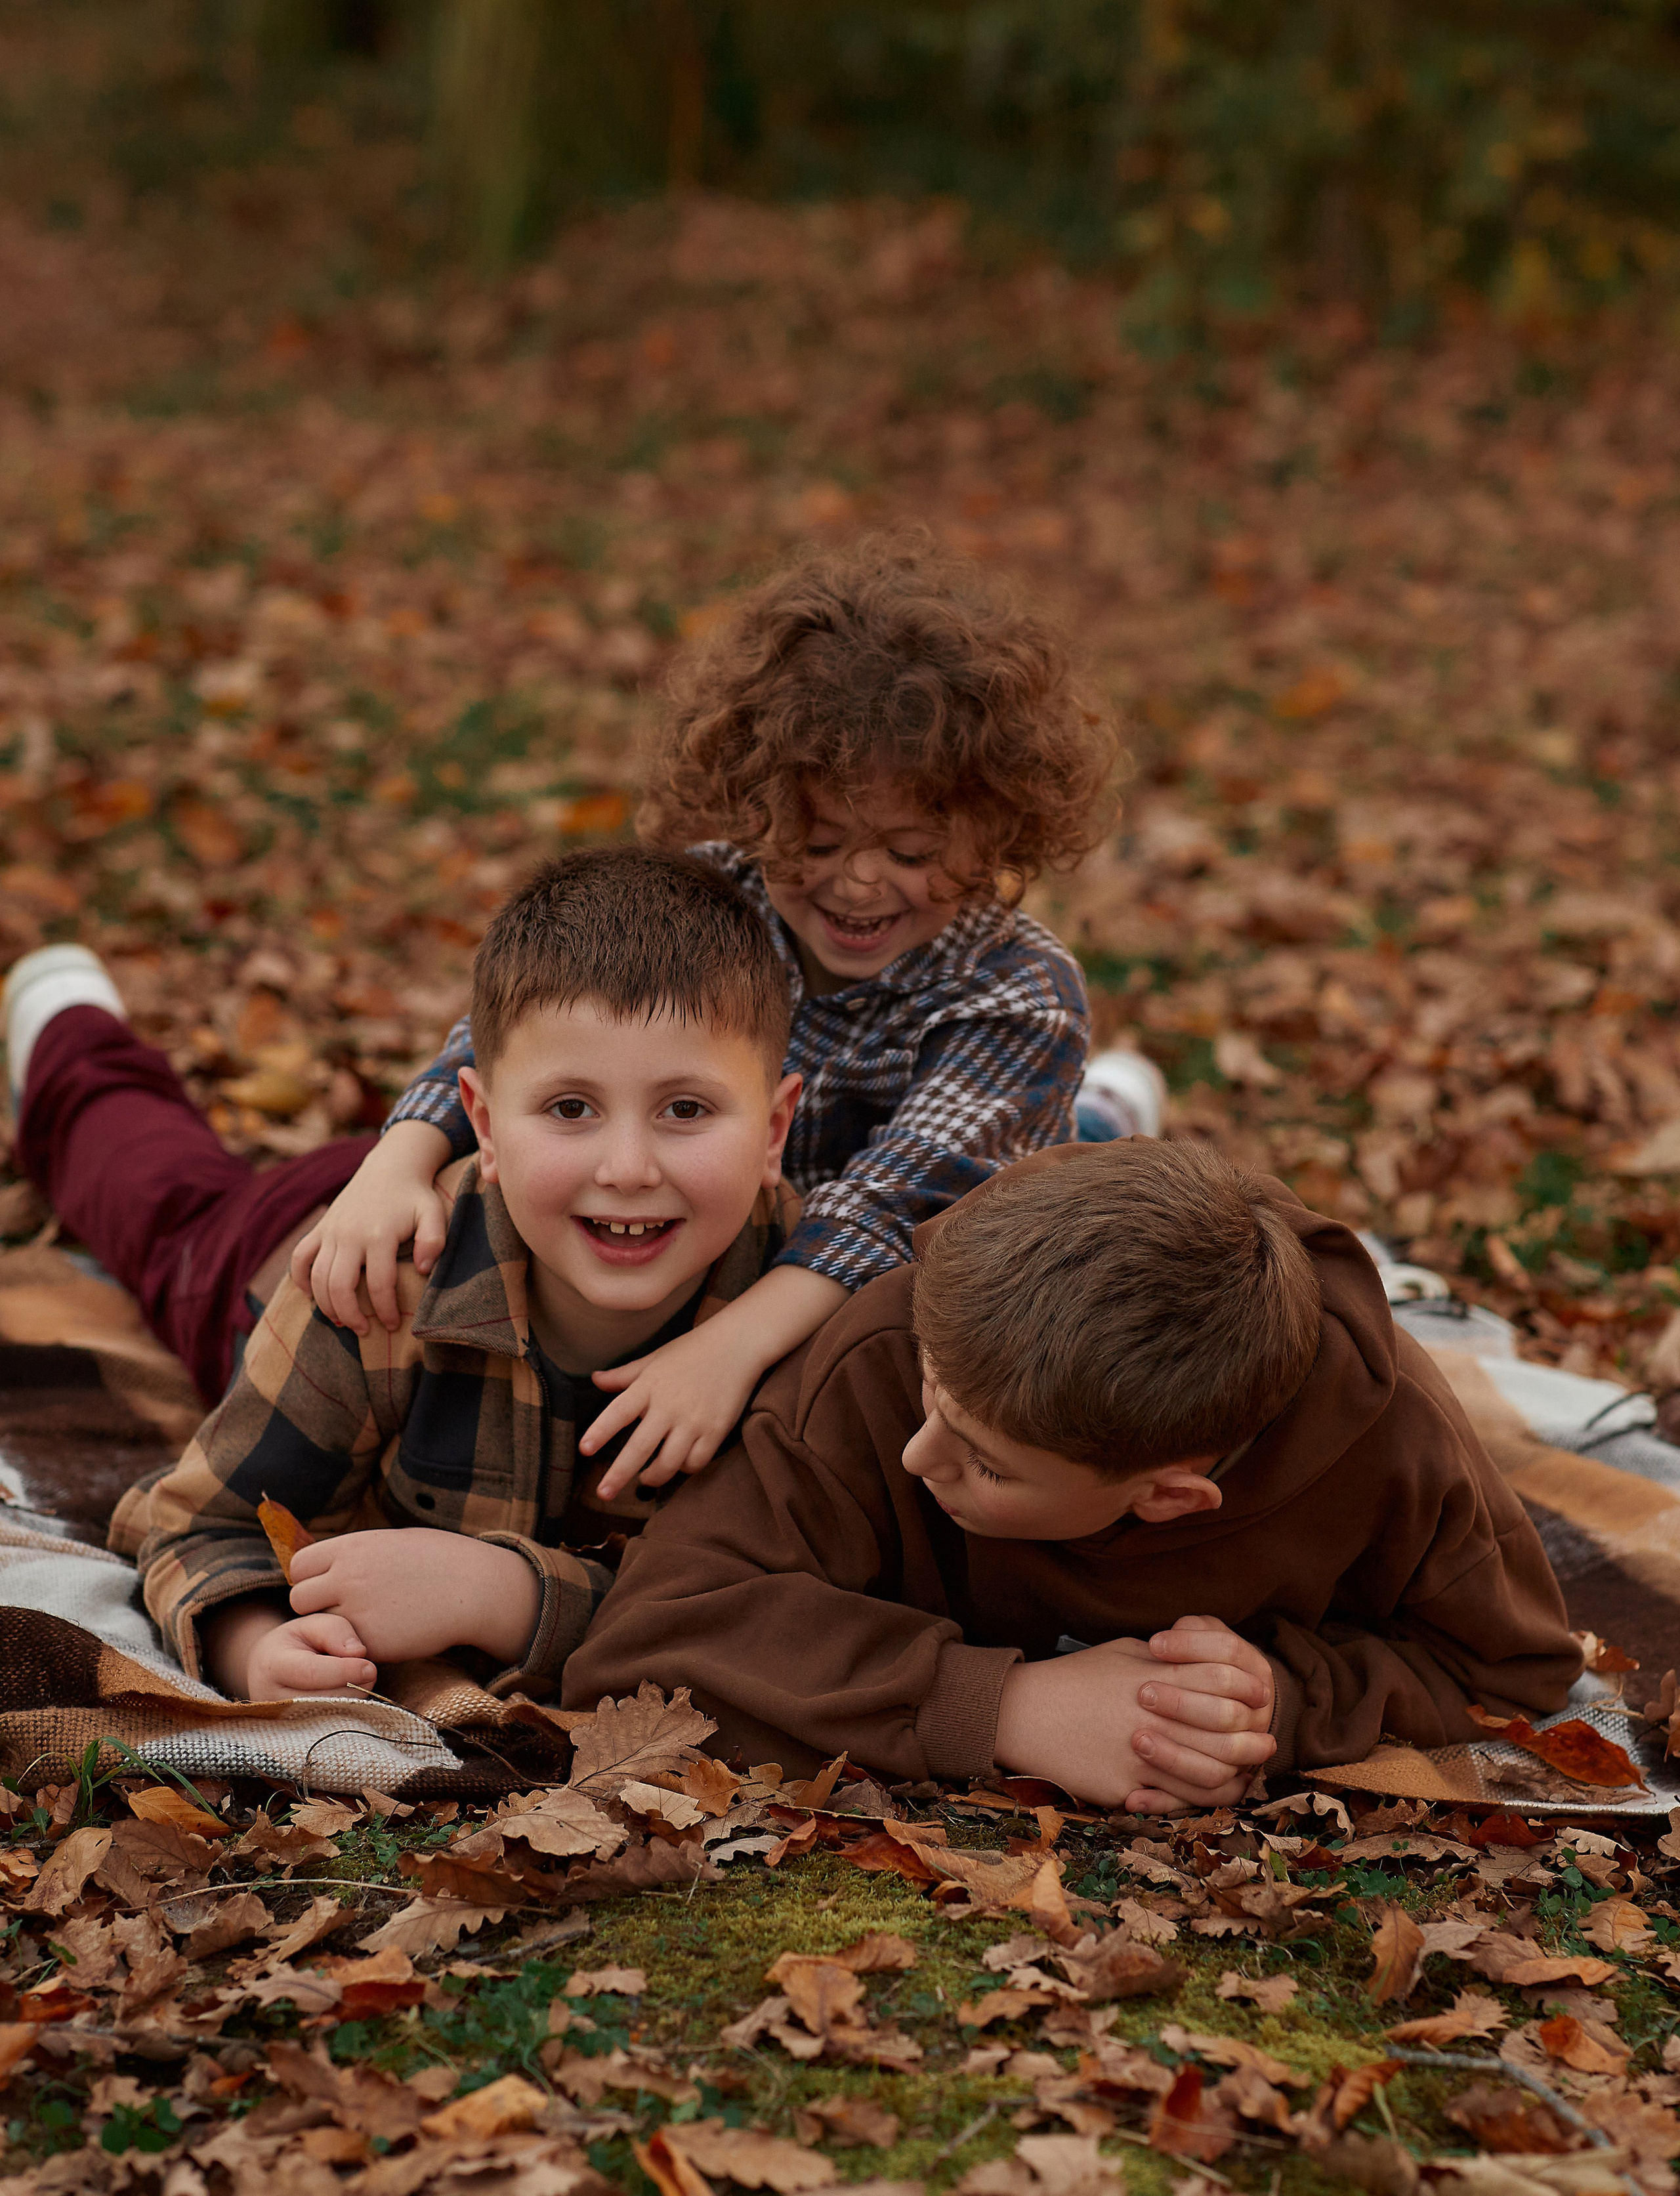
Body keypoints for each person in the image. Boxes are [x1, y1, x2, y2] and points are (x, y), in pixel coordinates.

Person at [290, 536, 1150, 1506]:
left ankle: (1101, 1120)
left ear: (999, 828)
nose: (863, 881)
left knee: (1056, 1171)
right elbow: (528, 1025)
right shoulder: (718, 893)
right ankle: (1103, 1112)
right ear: (760, 808)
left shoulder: (1016, 992)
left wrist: (730, 1347)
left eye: (912, 851)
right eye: (821, 841)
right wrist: (397, 1154)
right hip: (705, 1211)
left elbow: (889, 1207)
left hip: (862, 1251)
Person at [561, 1139, 1583, 1813]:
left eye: (988, 1463)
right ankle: (1106, 1117)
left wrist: (1270, 1703)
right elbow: (647, 1639)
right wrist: (1004, 1708)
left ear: (1167, 1496)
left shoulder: (1395, 1438)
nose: (921, 1456)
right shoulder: (894, 1339)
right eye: (933, 1402)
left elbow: (1510, 1672)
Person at [104, 848, 802, 1702]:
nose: (628, 1167)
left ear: (774, 1131)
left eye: (685, 1109)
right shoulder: (376, 1295)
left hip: (500, 1210)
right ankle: (66, 1019)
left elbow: (784, 1601)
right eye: (570, 1108)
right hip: (286, 1249)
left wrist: (501, 1595)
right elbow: (194, 1524)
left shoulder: (802, 1312)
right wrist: (256, 1644)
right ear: (481, 1121)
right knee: (140, 1187)